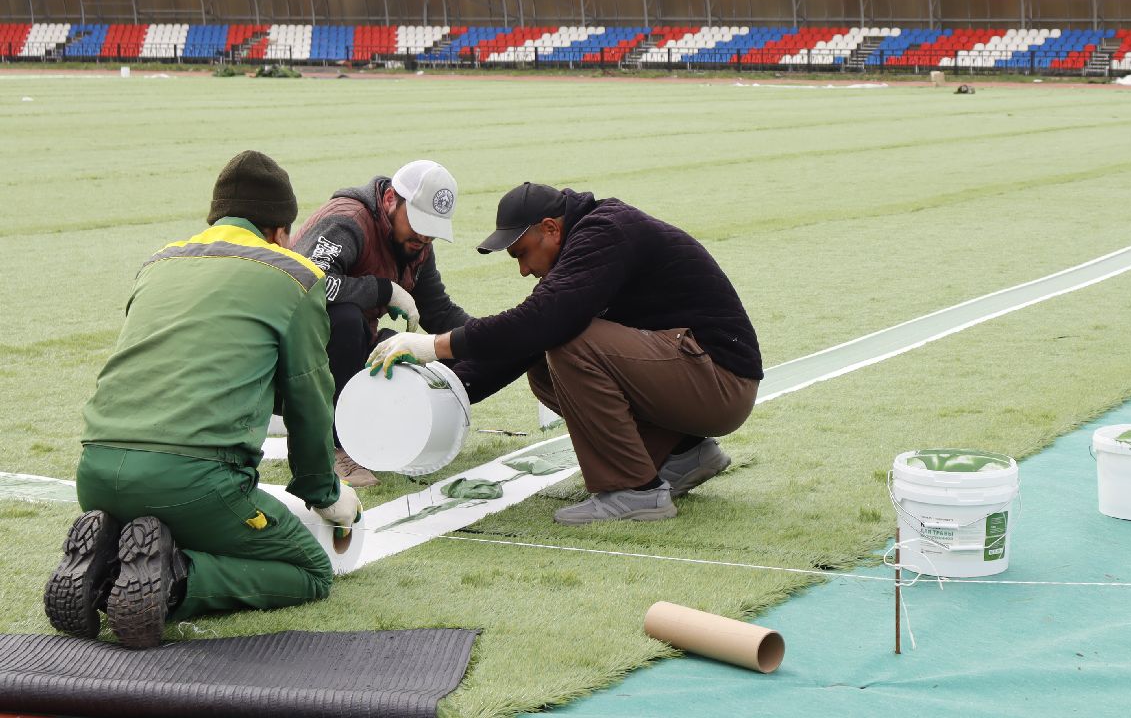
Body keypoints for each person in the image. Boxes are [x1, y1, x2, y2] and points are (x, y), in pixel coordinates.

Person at [45, 151, 359, 649]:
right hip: (193, 482)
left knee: (160, 526)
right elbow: (309, 397)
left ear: (216, 217)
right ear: (281, 230)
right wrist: (325, 492)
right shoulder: (295, 276)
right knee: (310, 570)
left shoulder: (160, 262)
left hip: (97, 472)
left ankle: (106, 569)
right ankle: (176, 581)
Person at [367, 183, 761, 524]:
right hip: (702, 377)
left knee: (571, 342)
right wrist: (447, 389)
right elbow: (525, 340)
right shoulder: (587, 240)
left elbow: (541, 322)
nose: (523, 270)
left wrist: (432, 346)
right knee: (544, 364)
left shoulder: (604, 233)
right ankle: (686, 452)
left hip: (720, 382)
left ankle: (634, 490)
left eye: (521, 253)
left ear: (551, 228)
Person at [290, 159, 468, 486]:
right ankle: (333, 446)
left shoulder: (416, 244)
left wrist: (491, 339)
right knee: (344, 318)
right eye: (417, 223)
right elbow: (301, 286)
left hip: (338, 357)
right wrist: (382, 289)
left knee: (400, 349)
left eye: (431, 230)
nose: (424, 238)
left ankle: (365, 431)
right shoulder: (347, 221)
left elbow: (439, 312)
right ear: (390, 201)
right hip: (291, 363)